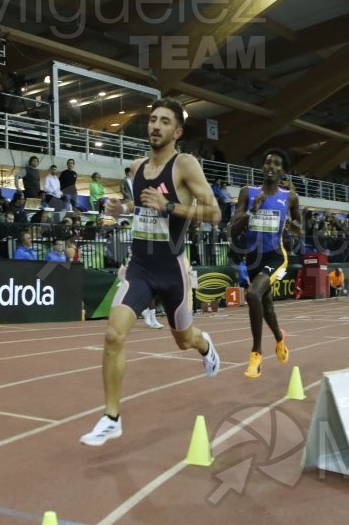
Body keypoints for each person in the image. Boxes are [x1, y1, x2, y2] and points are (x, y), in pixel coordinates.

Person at [79, 97, 221, 447]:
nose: (155, 126)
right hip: (141, 266)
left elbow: (215, 213)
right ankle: (112, 418)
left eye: (164, 121)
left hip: (172, 269)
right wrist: (120, 207)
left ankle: (205, 346)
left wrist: (170, 205)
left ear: (177, 131)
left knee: (183, 340)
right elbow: (140, 206)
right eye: (152, 119)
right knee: (113, 335)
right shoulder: (137, 165)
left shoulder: (184, 164)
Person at [229, 148, 302, 379]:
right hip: (252, 257)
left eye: (277, 164)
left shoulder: (289, 197)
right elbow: (234, 229)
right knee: (266, 305)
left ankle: (256, 353)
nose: (271, 166)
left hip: (275, 256)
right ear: (262, 168)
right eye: (268, 162)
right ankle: (280, 340)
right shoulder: (247, 192)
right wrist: (252, 211)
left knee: (252, 295)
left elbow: (298, 227)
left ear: (283, 171)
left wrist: (293, 227)